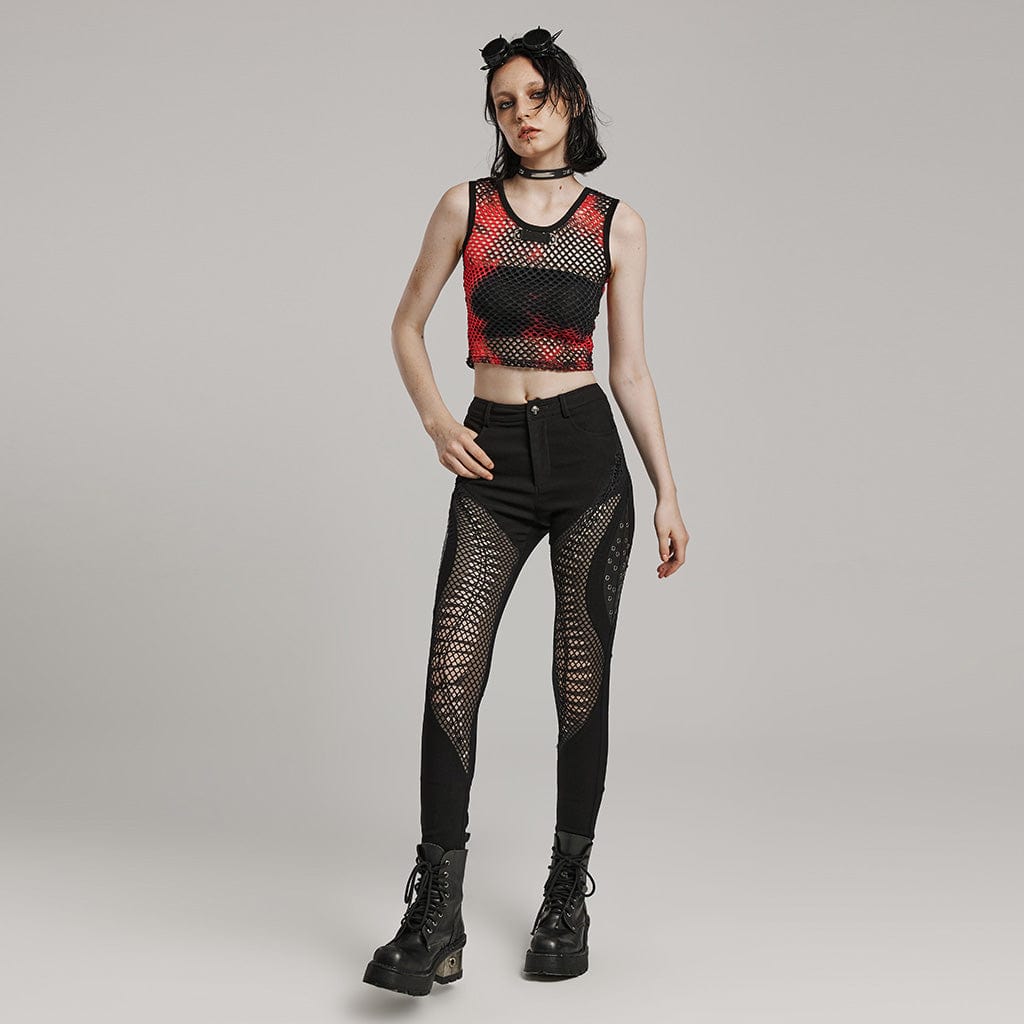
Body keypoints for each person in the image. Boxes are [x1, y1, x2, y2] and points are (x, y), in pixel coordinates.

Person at [363, 26, 689, 996]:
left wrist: (669, 490)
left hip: (589, 461)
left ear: (569, 101)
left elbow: (630, 369)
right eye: (505, 103)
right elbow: (405, 323)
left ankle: (563, 895)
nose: (522, 115)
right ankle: (436, 914)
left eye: (536, 97)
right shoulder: (464, 206)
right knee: (450, 675)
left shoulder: (616, 223)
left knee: (578, 683)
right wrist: (437, 422)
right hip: (492, 458)